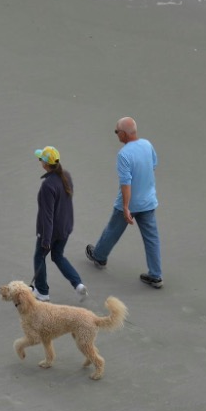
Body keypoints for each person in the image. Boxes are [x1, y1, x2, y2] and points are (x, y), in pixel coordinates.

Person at [86, 117, 163, 288]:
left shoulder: (124, 154)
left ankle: (99, 256)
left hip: (129, 203)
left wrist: (126, 207)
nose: (116, 135)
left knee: (112, 230)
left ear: (123, 133)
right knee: (152, 239)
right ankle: (156, 275)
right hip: (148, 202)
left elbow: (126, 183)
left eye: (116, 131)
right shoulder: (147, 145)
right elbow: (153, 166)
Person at [32, 146, 88, 303]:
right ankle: (78, 285)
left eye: (40, 159)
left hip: (50, 232)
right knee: (57, 256)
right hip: (66, 228)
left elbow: (47, 215)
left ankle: (42, 292)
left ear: (45, 164)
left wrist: (45, 240)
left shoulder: (47, 186)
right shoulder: (66, 176)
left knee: (39, 257)